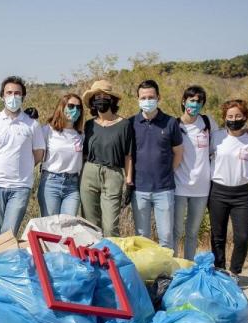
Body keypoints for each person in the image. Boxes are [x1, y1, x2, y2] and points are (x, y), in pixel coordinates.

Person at [0, 76, 45, 237]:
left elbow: (38, 153)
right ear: (2, 96)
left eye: (17, 93)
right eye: (9, 92)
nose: (13, 96)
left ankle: (2, 259)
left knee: (8, 231)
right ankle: (0, 261)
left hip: (20, 186)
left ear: (23, 97)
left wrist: (22, 165)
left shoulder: (32, 124)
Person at [208, 100, 248, 280]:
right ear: (224, 118)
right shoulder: (216, 137)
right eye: (230, 116)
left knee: (243, 236)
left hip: (241, 194)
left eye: (238, 116)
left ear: (245, 117)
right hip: (218, 191)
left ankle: (235, 271)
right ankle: (219, 269)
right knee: (217, 235)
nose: (234, 119)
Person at [131, 79, 183, 249]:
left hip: (164, 189)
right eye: (143, 97)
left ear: (158, 97)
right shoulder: (131, 124)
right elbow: (128, 155)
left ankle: (167, 274)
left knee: (166, 237)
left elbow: (178, 152)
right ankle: (145, 273)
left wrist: (168, 173)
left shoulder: (170, 122)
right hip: (139, 189)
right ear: (138, 99)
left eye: (151, 97)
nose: (147, 101)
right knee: (142, 237)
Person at [80, 79, 134, 237]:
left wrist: (129, 182)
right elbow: (82, 153)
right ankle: (93, 259)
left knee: (110, 227)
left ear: (112, 99)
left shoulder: (124, 124)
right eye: (96, 97)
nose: (101, 99)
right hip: (89, 173)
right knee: (90, 224)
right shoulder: (89, 125)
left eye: (105, 96)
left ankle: (112, 259)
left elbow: (128, 155)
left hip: (113, 174)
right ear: (92, 102)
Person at [173, 85, 213, 260]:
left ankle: (188, 266)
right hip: (179, 186)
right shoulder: (174, 124)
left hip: (202, 188)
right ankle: (173, 268)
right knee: (176, 231)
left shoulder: (208, 122)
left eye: (199, 101)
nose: (195, 104)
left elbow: (223, 142)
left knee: (192, 232)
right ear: (184, 101)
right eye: (191, 100)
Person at [38, 93, 84, 217]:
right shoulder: (47, 130)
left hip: (72, 185)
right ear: (62, 107)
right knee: (50, 226)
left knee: (68, 225)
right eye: (71, 106)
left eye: (78, 107)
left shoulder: (81, 134)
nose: (75, 110)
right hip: (51, 182)